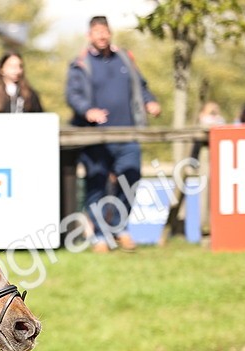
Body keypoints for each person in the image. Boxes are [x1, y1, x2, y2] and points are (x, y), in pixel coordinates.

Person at [65, 15, 160, 253]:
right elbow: (73, 95)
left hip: (127, 133)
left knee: (131, 178)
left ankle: (120, 228)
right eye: (97, 31)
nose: (102, 35)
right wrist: (87, 110)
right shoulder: (81, 62)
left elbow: (141, 86)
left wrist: (150, 102)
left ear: (110, 33)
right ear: (89, 35)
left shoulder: (124, 58)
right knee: (96, 182)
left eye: (105, 31)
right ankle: (98, 235)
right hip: (94, 137)